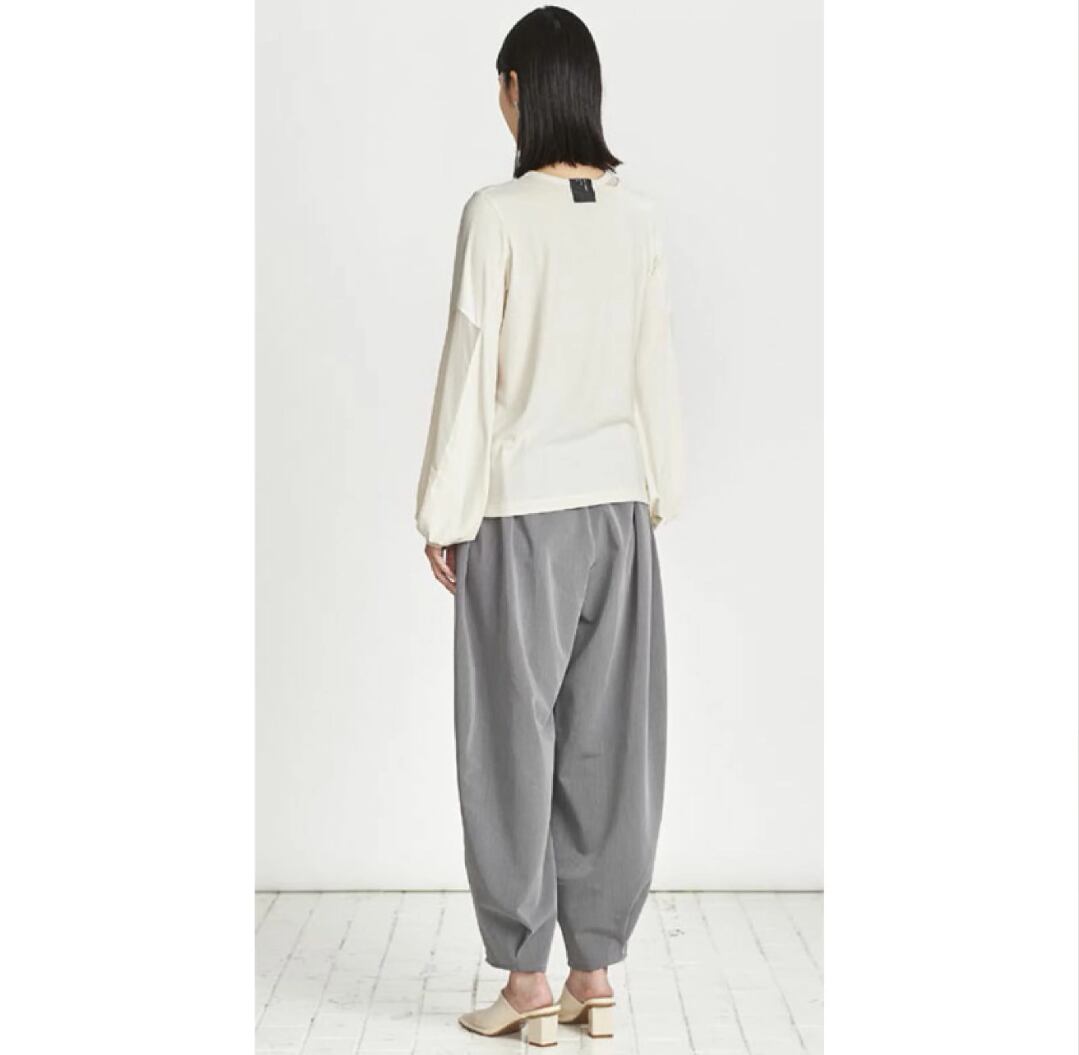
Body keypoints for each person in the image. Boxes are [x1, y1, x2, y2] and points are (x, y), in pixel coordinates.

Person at [415, 6, 684, 1046]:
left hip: (517, 509)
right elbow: (654, 362)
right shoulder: (636, 217)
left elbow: (469, 368)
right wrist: (659, 492)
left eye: (500, 86)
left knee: (508, 744)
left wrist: (442, 512)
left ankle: (526, 982)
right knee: (612, 742)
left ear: (519, 89)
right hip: (617, 510)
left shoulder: (496, 214)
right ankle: (594, 973)